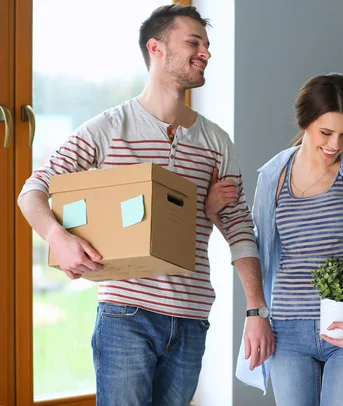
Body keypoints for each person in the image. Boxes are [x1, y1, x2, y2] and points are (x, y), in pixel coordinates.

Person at [17, 4, 273, 405]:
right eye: (194, 42)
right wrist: (58, 237)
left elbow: (240, 228)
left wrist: (257, 312)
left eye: (207, 44)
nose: (206, 52)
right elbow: (33, 188)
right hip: (125, 314)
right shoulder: (109, 128)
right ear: (156, 48)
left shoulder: (216, 142)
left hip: (191, 318)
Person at [207, 73, 343, 405]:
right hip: (287, 330)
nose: (336, 145)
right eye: (326, 132)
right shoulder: (274, 175)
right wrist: (214, 212)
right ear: (306, 123)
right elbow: (253, 246)